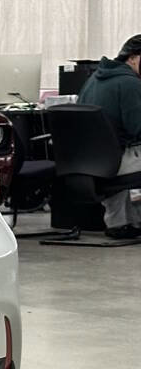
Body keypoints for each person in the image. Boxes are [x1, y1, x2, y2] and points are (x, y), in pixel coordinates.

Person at [78, 34, 141, 237]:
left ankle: (121, 222)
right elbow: (137, 128)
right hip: (116, 162)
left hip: (90, 161)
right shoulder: (130, 84)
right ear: (133, 58)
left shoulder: (93, 79)